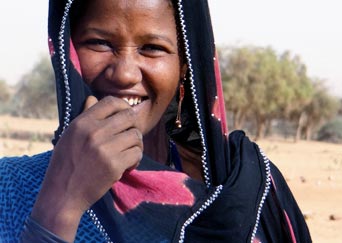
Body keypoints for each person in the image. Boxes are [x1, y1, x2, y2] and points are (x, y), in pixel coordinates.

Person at [0, 0, 312, 242]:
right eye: (99, 42)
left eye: (152, 48)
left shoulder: (249, 187)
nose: (124, 73)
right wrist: (61, 205)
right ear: (67, 52)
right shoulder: (11, 188)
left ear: (185, 66)